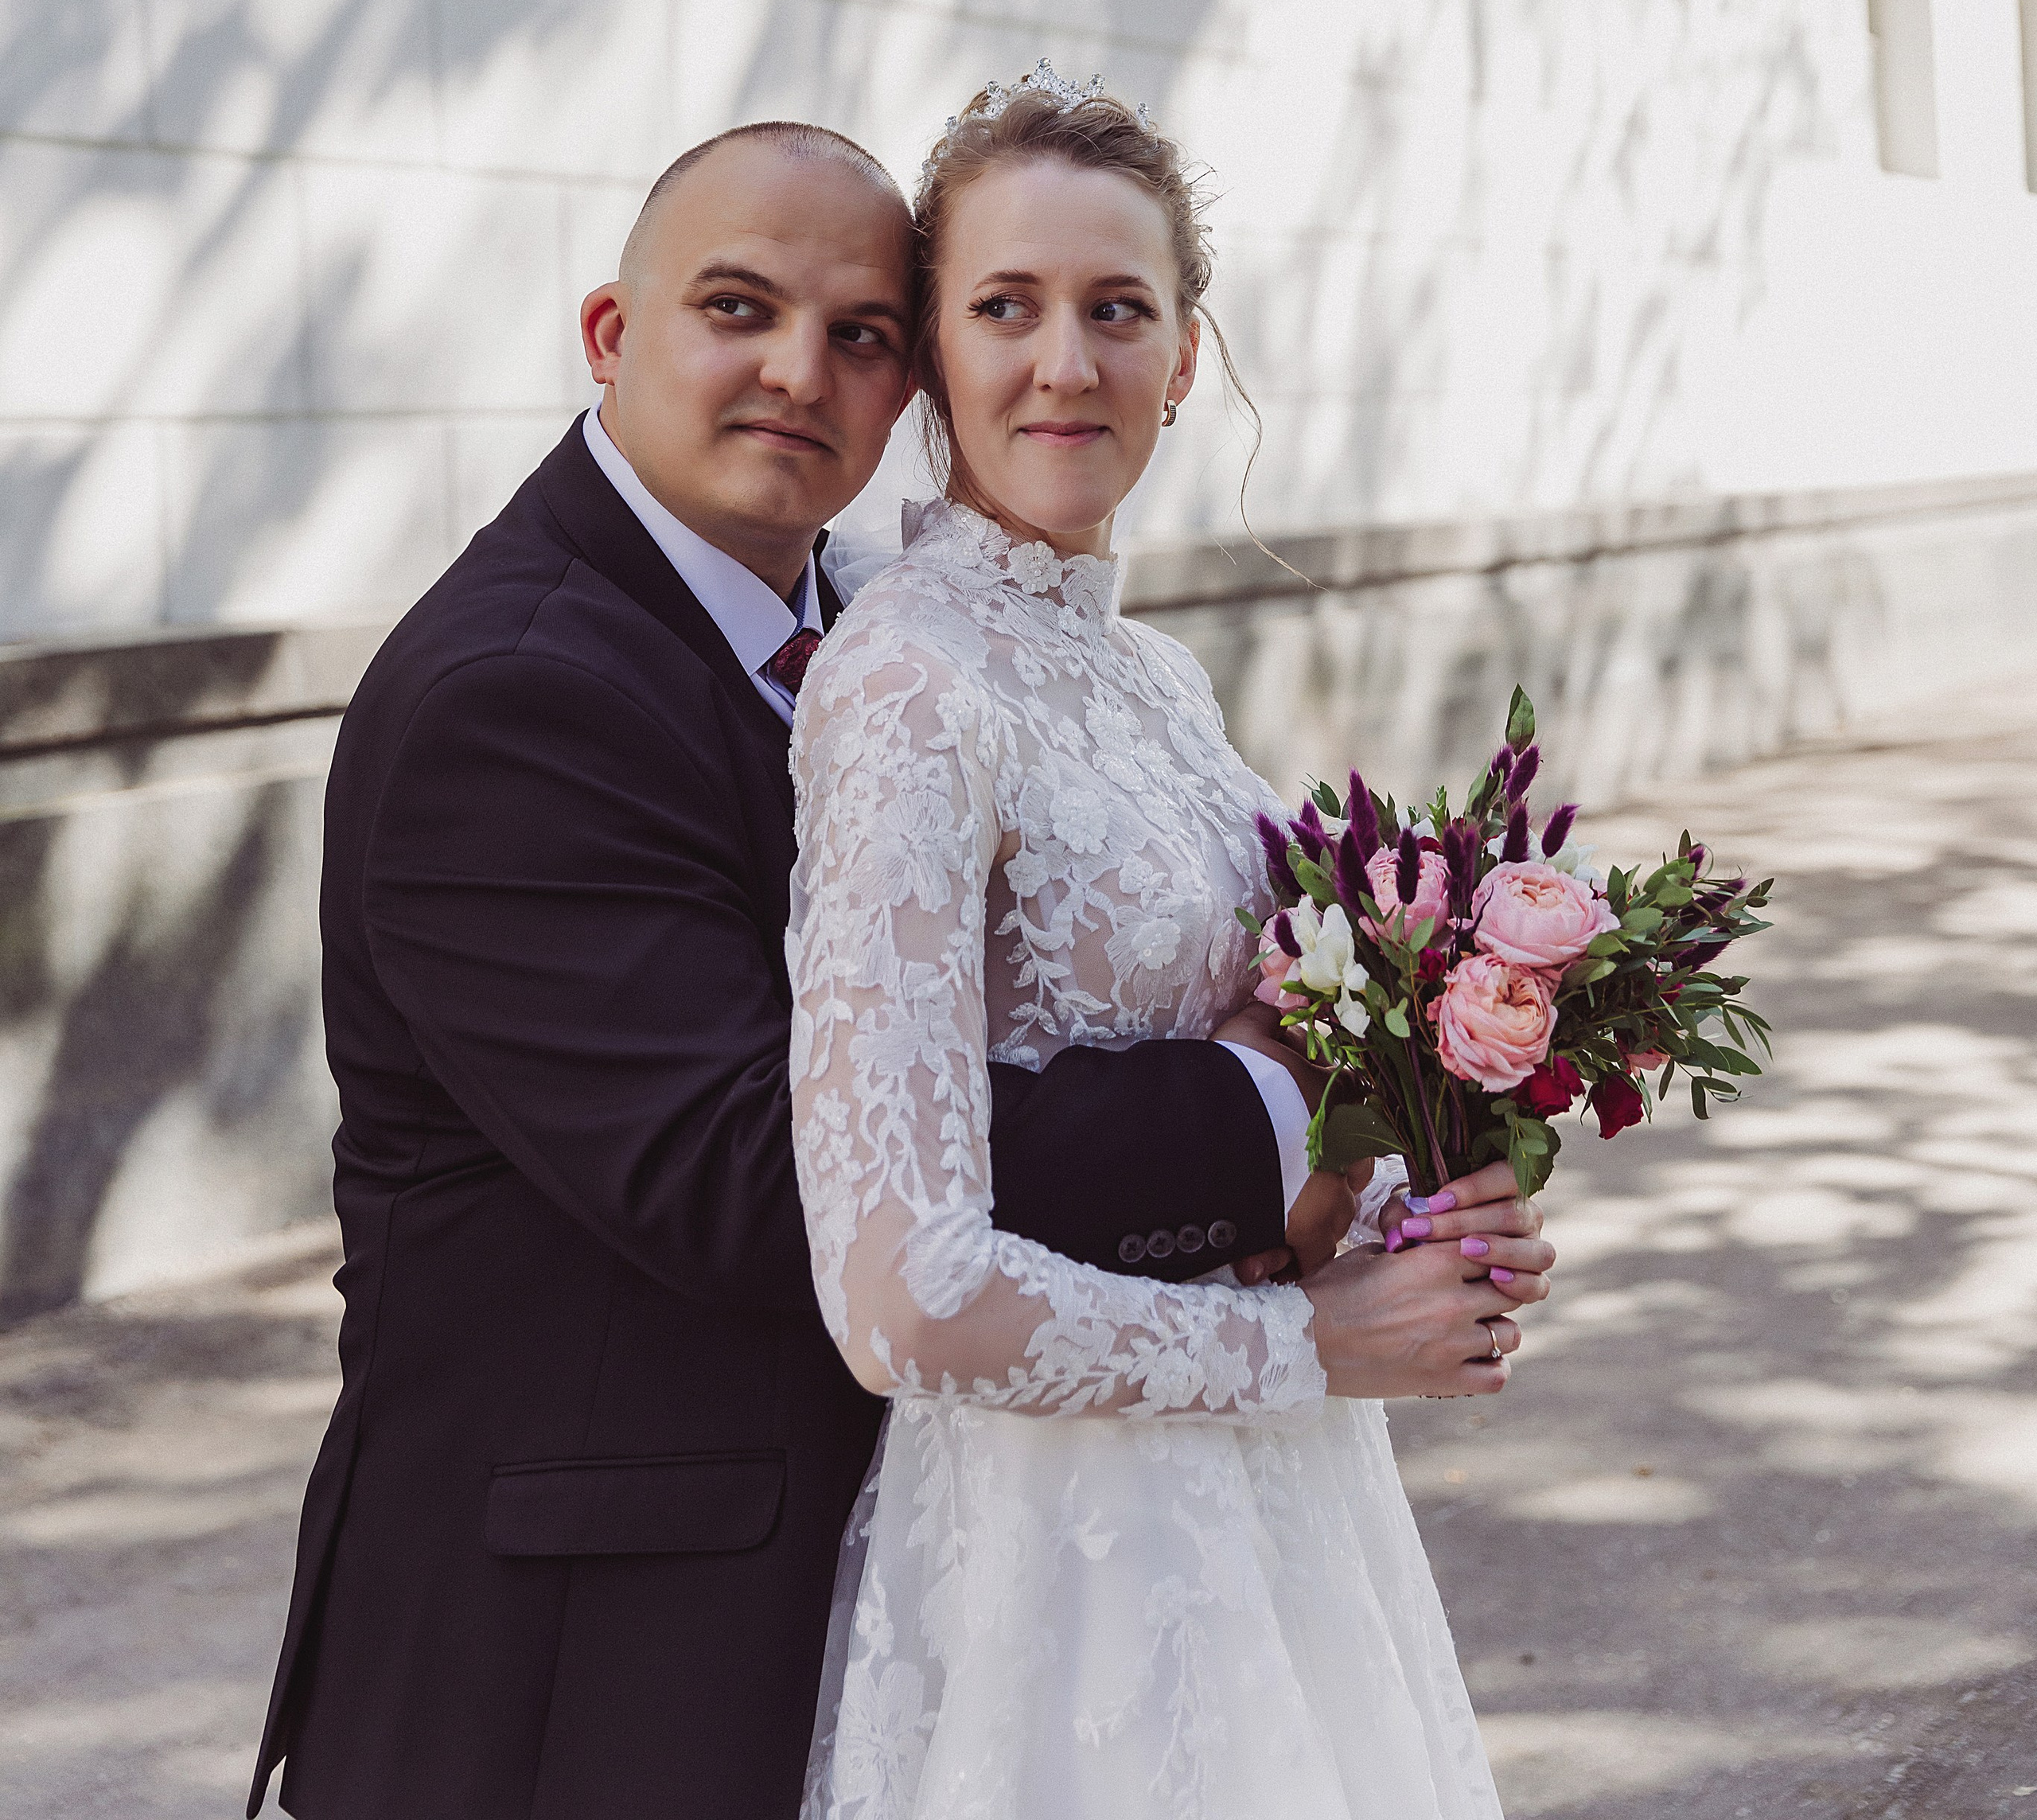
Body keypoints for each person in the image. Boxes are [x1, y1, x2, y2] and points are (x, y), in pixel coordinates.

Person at [250, 119, 1542, 1820]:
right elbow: (757, 1181)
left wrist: (1411, 1161)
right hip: (582, 1643)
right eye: (734, 307)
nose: (799, 371)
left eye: (858, 329)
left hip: (982, 1520)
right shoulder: (511, 692)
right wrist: (1284, 1115)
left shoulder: (900, 616)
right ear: (609, 335)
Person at [789, 72, 1545, 1819]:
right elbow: (894, 1292)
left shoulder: (1159, 681)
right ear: (929, 356)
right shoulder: (903, 683)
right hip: (1072, 1546)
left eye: (1115, 310)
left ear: (1186, 357)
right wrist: (1308, 1346)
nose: (1065, 362)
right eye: (1005, 307)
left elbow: (1256, 1067)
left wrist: (1423, 1209)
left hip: (1287, 1495)